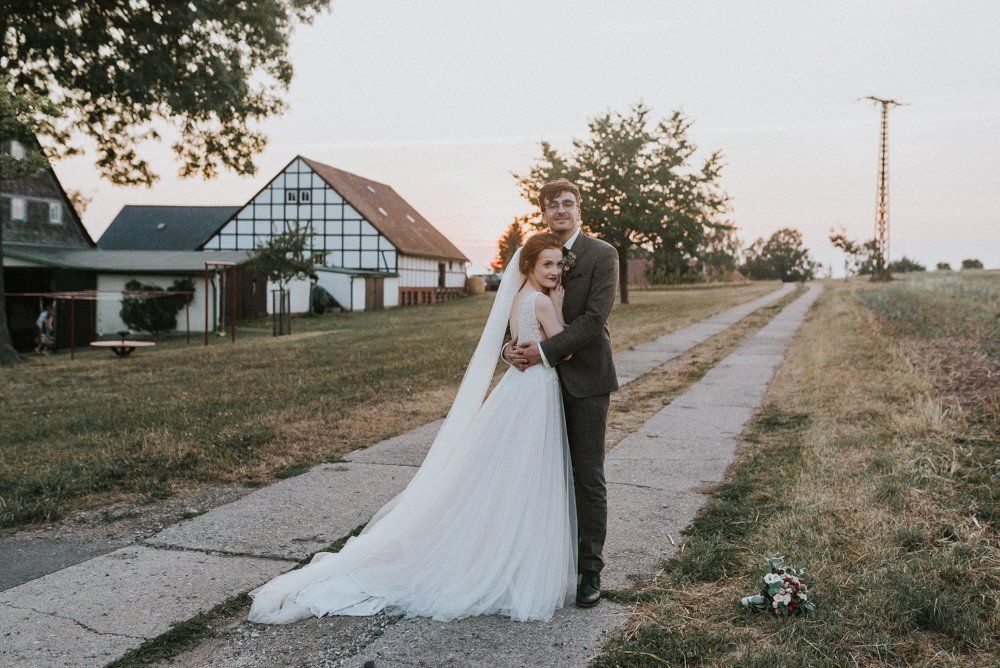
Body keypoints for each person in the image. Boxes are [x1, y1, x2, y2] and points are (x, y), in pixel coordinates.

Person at [248, 232, 581, 624]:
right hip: (536, 390)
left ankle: (505, 551)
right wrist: (559, 305)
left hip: (516, 388)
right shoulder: (541, 301)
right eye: (547, 264)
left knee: (508, 473)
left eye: (558, 264)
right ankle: (513, 560)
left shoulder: (516, 297)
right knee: (527, 473)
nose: (555, 271)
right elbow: (564, 348)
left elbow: (518, 342)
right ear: (529, 266)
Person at [503, 179, 619, 608]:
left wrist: (543, 352)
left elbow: (594, 318)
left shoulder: (602, 254)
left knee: (587, 475)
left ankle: (589, 571)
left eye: (568, 203)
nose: (561, 211)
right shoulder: (535, 252)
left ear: (579, 209)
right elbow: (512, 308)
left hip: (585, 380)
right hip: (536, 390)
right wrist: (508, 349)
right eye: (552, 205)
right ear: (544, 212)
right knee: (538, 474)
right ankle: (539, 562)